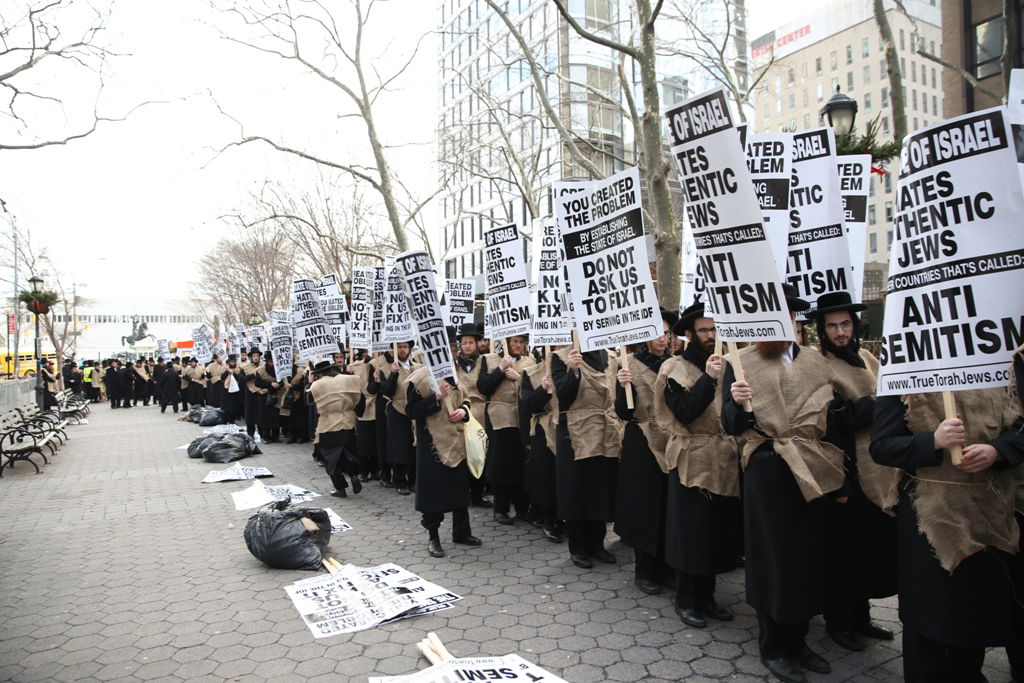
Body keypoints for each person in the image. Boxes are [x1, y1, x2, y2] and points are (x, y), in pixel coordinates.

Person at [721, 284, 844, 683]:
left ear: (796, 321)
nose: (784, 322)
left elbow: (833, 419)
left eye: (789, 316)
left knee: (807, 557)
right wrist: (737, 403)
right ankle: (773, 645)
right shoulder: (739, 363)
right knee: (773, 557)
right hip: (769, 470)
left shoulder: (815, 360)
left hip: (813, 466)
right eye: (775, 315)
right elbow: (730, 426)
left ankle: (799, 639)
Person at [871, 368, 1024, 681]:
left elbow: (1019, 428)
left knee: (972, 608)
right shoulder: (901, 373)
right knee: (930, 613)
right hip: (929, 514)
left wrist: (998, 450)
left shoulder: (1000, 367)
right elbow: (882, 446)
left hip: (989, 509)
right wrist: (934, 440)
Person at [805, 291, 898, 652]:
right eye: (832, 326)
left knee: (869, 549)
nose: (840, 331)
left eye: (845, 324)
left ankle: (862, 617)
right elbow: (833, 420)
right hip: (845, 469)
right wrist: (880, 406)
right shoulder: (817, 365)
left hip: (880, 469)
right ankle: (839, 622)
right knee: (844, 551)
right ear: (822, 330)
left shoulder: (867, 357)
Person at [655, 302, 740, 629]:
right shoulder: (674, 369)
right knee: (692, 533)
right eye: (704, 330)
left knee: (716, 532)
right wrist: (709, 378)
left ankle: (708, 597)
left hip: (723, 457)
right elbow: (685, 412)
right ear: (689, 334)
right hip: (691, 458)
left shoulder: (730, 365)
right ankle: (686, 599)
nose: (710, 335)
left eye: (714, 330)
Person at [613, 311, 676, 595]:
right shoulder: (630, 365)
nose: (662, 338)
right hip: (642, 440)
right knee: (644, 505)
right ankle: (645, 569)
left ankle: (668, 564)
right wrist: (622, 385)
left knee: (669, 504)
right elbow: (624, 412)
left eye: (667, 332)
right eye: (657, 332)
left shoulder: (676, 364)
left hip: (672, 440)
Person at [405, 326, 481, 558]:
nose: (449, 352)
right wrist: (435, 399)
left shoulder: (455, 374)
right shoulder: (418, 379)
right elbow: (410, 411)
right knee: (433, 495)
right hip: (432, 445)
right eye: (444, 348)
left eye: (451, 348)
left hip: (456, 442)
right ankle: (433, 537)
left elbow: (467, 400)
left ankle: (462, 532)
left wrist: (464, 411)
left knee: (460, 491)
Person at [550, 342, 622, 569]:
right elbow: (563, 396)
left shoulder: (610, 357)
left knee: (600, 488)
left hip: (605, 431)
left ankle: (597, 544)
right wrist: (573, 371)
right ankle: (578, 546)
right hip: (575, 432)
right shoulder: (561, 357)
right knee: (577, 490)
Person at [478, 334, 535, 523]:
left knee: (521, 465)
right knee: (500, 464)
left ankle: (522, 508)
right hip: (500, 418)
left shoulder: (531, 361)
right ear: (506, 342)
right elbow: (483, 387)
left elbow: (534, 389)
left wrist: (519, 379)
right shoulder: (489, 359)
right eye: (514, 341)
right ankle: (500, 508)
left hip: (522, 418)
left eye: (521, 342)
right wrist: (500, 370)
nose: (517, 345)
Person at [520, 347, 562, 542]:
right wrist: (543, 389)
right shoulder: (531, 373)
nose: (559, 350)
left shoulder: (576, 368)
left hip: (569, 428)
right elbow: (527, 406)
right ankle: (548, 519)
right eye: (555, 347)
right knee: (546, 476)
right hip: (543, 430)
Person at [308, 358, 365, 497]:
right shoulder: (350, 379)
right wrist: (358, 413)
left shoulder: (317, 385)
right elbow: (360, 399)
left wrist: (310, 383)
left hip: (328, 423)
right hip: (348, 420)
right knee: (348, 451)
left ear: (319, 373)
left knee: (331, 457)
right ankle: (353, 475)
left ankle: (340, 488)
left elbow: (309, 401)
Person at [454, 322, 491, 508]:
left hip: (481, 414)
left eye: (470, 342)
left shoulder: (485, 362)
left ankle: (478, 494)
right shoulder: (454, 364)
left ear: (477, 344)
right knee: (463, 454)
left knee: (480, 453)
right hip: (460, 413)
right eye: (464, 342)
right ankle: (463, 493)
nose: (467, 346)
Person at [380, 341, 421, 495]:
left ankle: (413, 481)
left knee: (414, 446)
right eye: (399, 347)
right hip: (396, 410)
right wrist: (394, 374)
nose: (403, 350)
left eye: (405, 347)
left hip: (414, 410)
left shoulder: (417, 366)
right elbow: (386, 392)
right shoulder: (385, 368)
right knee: (398, 447)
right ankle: (399, 481)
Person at [351, 351, 381, 480]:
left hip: (377, 408)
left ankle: (375, 470)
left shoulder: (380, 365)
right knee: (363, 442)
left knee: (375, 441)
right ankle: (363, 470)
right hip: (363, 406)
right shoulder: (356, 366)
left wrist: (376, 379)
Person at [255, 355, 286, 443]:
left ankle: (275, 437)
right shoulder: (260, 371)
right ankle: (266, 437)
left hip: (277, 395)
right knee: (265, 418)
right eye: (270, 362)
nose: (272, 364)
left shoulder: (280, 370)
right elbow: (257, 383)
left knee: (276, 417)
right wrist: (270, 383)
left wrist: (269, 389)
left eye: (273, 362)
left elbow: (281, 383)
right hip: (264, 397)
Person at [285, 360, 310, 444]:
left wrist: (292, 386)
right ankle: (293, 435)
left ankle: (302, 436)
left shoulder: (301, 372)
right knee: (291, 418)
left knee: (300, 418)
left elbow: (303, 384)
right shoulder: (284, 371)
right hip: (289, 397)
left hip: (299, 398)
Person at [241, 349, 264, 438]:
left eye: (257, 356)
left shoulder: (263, 366)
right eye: (254, 356)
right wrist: (253, 375)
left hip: (261, 392)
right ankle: (250, 433)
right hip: (250, 393)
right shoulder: (245, 368)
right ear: (251, 357)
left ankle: (262, 434)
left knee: (260, 413)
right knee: (250, 414)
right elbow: (242, 379)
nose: (256, 358)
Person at [220, 355, 244, 423]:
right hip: (226, 388)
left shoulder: (239, 368)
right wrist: (227, 371)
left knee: (234, 406)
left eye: (233, 362)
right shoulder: (225, 368)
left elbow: (240, 378)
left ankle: (233, 420)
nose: (232, 363)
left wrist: (233, 373)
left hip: (235, 389)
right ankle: (225, 420)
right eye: (231, 362)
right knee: (226, 406)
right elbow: (222, 378)